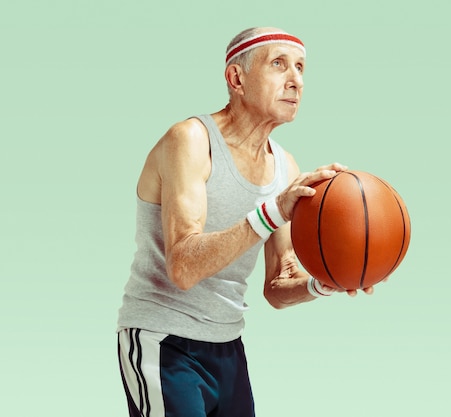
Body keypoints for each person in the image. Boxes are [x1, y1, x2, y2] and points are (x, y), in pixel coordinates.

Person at [116, 27, 376, 417]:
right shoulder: (191, 140)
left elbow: (276, 287)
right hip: (163, 338)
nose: (296, 80)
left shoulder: (285, 166)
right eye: (279, 64)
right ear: (237, 78)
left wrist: (326, 282)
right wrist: (273, 212)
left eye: (302, 68)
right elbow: (183, 267)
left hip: (228, 346)